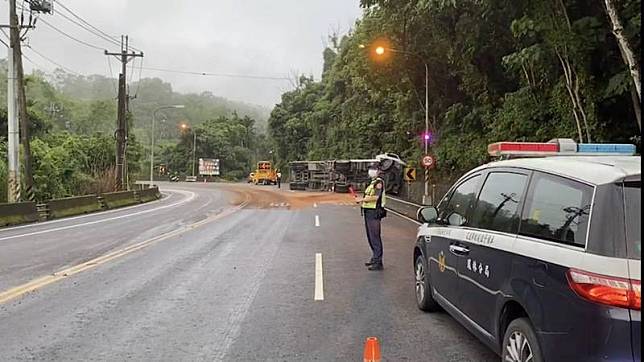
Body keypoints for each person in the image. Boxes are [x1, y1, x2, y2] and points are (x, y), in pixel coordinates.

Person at [354, 163, 387, 270]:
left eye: (373, 169)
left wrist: (362, 200)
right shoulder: (372, 182)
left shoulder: (379, 183)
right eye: (370, 169)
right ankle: (374, 258)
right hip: (368, 212)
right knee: (370, 237)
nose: (370, 171)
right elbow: (369, 195)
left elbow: (375, 197)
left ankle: (378, 262)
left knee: (375, 237)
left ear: (378, 171)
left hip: (374, 212)